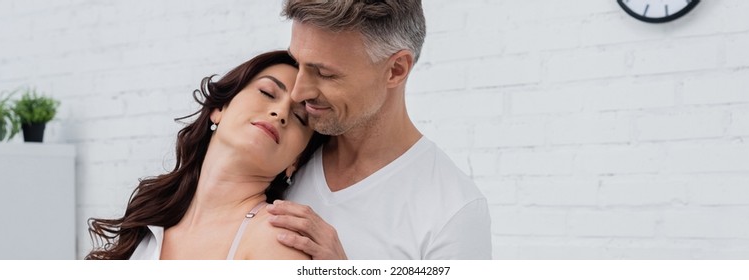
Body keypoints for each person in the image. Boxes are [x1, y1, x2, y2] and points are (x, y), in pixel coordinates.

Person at [266, 0, 492, 259]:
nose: (298, 92)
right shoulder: (286, 148)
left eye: (325, 74)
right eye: (298, 64)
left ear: (396, 70)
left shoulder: (453, 211)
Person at [86, 50, 328, 260]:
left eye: (299, 117)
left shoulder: (276, 240)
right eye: (267, 92)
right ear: (219, 108)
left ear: (295, 162)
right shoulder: (150, 223)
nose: (280, 112)